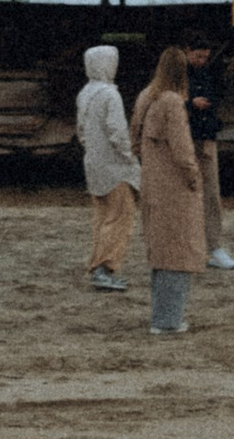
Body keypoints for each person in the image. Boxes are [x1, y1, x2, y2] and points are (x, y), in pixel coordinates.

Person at [129, 44, 208, 336]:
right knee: (178, 251)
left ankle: (162, 315)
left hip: (152, 183)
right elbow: (183, 147)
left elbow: (134, 139)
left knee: (161, 252)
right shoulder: (173, 101)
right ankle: (168, 320)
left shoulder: (146, 96)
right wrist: (193, 176)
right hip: (174, 186)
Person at [76, 39, 139, 289]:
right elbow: (117, 132)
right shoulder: (110, 95)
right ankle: (105, 268)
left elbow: (81, 131)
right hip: (114, 166)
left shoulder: (85, 93)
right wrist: (130, 156)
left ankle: (99, 265)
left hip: (93, 162)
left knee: (102, 218)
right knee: (120, 218)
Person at [183, 33, 234, 269]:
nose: (202, 61)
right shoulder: (178, 74)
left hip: (205, 137)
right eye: (198, 56)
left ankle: (214, 246)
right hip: (185, 138)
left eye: (205, 57)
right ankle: (188, 246)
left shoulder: (209, 72)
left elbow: (221, 95)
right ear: (187, 51)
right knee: (185, 194)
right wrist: (189, 105)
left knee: (211, 193)